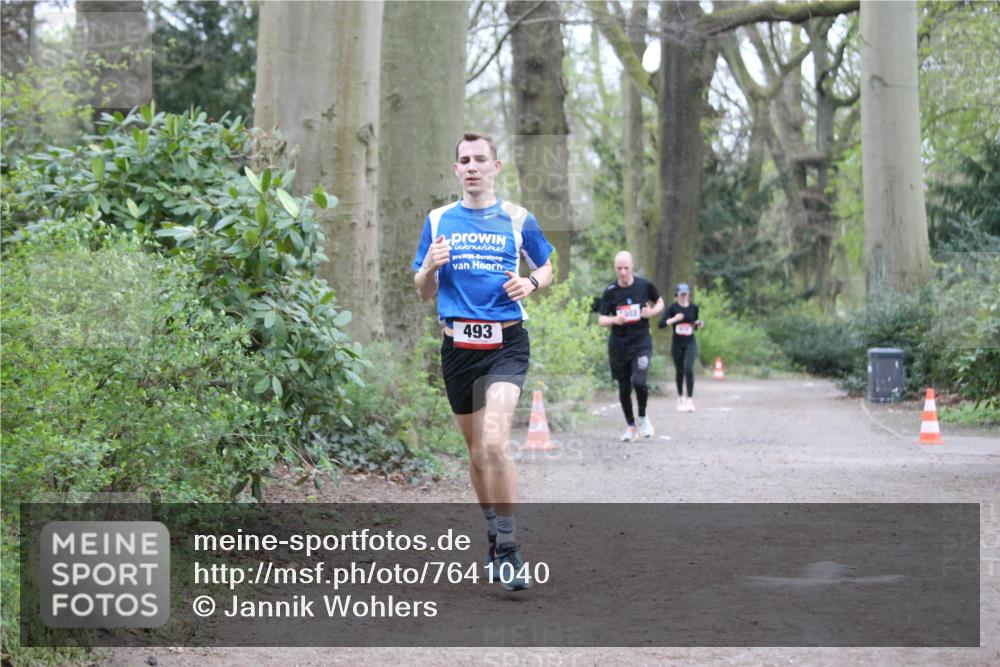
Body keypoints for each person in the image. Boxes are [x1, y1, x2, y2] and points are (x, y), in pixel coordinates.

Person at [412, 132, 553, 591]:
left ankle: (510, 548)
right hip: (457, 350)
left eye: (480, 159)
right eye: (464, 160)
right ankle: (492, 531)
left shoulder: (518, 218)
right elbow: (422, 289)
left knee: (494, 442)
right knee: (476, 453)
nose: (472, 167)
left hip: (507, 345)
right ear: (456, 170)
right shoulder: (437, 220)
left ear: (496, 166)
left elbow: (548, 264)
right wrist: (429, 266)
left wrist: (532, 284)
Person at [597, 251, 664, 441]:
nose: (623, 272)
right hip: (618, 345)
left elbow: (660, 302)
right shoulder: (610, 291)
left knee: (640, 382)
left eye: (626, 268)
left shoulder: (644, 285)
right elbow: (601, 319)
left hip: (641, 341)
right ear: (615, 268)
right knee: (624, 387)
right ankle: (630, 426)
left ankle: (642, 417)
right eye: (619, 268)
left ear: (632, 267)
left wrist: (651, 312)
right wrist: (614, 319)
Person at [658, 283, 703, 412]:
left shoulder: (694, 308)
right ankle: (680, 397)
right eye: (681, 294)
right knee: (679, 370)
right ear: (676, 295)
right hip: (677, 343)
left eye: (686, 294)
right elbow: (661, 324)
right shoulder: (672, 308)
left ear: (689, 295)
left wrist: (698, 324)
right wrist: (673, 319)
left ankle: (689, 399)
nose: (684, 297)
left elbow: (693, 323)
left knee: (689, 368)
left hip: (690, 342)